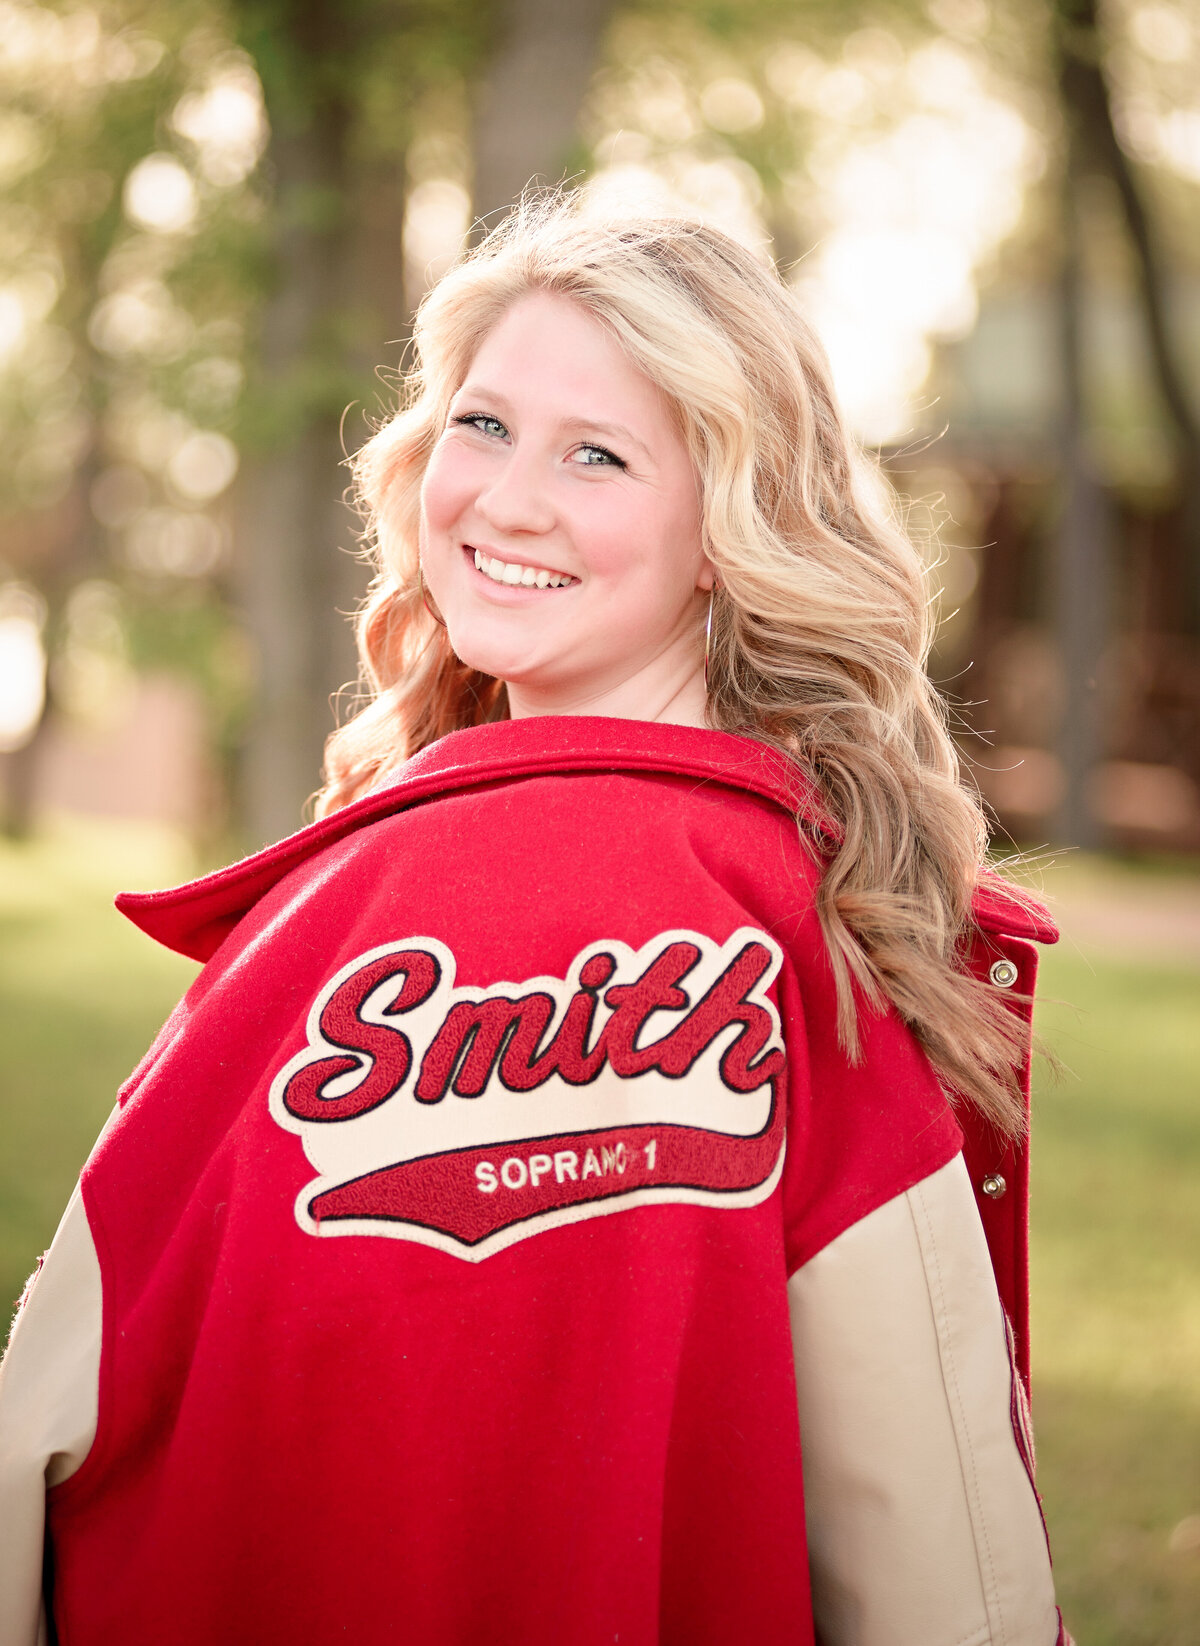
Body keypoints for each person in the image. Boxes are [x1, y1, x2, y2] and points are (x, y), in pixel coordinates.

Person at [0, 196, 1070, 1645]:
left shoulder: (331, 927)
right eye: (484, 424)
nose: (507, 498)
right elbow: (949, 1573)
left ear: (725, 528)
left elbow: (37, 1444)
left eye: (600, 454)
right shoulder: (797, 932)